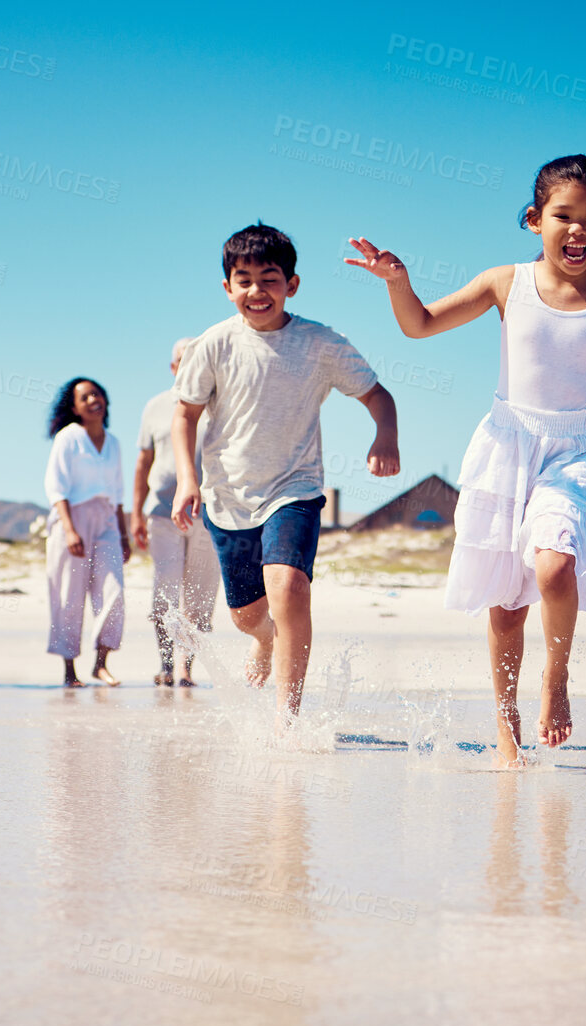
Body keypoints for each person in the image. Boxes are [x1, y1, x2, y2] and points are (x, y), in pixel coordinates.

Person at [347, 154, 586, 767]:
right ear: (534, 220)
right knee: (507, 608)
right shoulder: (507, 283)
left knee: (556, 566)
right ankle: (508, 737)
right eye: (564, 215)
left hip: (579, 450)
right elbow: (419, 326)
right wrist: (398, 282)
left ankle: (556, 681)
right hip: (508, 447)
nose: (578, 228)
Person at [171, 223, 400, 727]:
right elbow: (184, 415)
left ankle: (287, 717)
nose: (257, 291)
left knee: (290, 586)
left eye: (269, 279)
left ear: (291, 284)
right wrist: (188, 480)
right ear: (228, 287)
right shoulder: (214, 343)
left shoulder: (320, 343)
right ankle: (266, 640)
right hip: (227, 496)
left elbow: (378, 395)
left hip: (294, 488)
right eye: (244, 280)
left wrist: (385, 435)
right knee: (247, 616)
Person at [132, 337, 219, 687]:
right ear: (173, 367)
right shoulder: (154, 406)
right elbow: (143, 464)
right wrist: (136, 514)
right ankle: (166, 665)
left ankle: (187, 669)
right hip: (162, 514)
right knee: (164, 593)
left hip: (210, 515)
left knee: (200, 595)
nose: (189, 365)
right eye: (183, 360)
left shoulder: (219, 404)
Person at [46, 376, 132, 687]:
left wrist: (123, 535)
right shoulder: (68, 438)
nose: (93, 400)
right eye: (85, 397)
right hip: (72, 519)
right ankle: (69, 671)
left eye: (97, 394)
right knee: (69, 595)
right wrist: (69, 530)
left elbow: (119, 493)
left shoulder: (114, 442)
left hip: (107, 521)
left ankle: (101, 663)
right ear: (75, 407)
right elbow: (56, 488)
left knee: (114, 592)